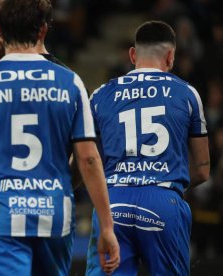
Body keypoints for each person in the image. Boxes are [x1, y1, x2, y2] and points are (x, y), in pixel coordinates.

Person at [0, 0, 120, 275]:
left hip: (4, 218)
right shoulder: (70, 82)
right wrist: (106, 225)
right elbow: (89, 159)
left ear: (0, 30)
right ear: (43, 30)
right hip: (55, 216)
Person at [86, 20, 210, 275]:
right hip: (163, 199)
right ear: (171, 56)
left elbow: (85, 156)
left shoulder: (100, 95)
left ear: (133, 54)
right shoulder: (187, 94)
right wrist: (165, 185)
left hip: (113, 201)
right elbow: (202, 169)